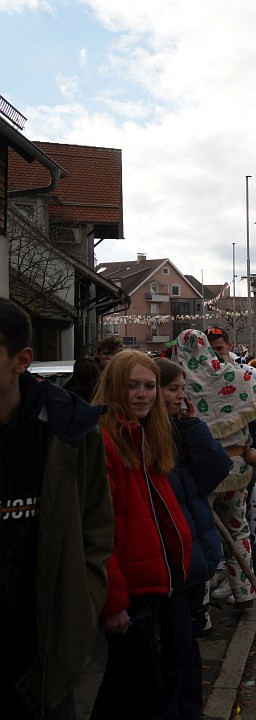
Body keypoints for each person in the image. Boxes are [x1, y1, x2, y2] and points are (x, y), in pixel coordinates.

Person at [0, 299, 113, 720]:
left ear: (21, 360)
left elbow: (97, 529)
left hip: (42, 656)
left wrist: (81, 611)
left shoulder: (69, 432)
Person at [90, 350, 193, 719]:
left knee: (151, 680)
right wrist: (113, 599)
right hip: (131, 588)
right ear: (115, 388)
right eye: (132, 386)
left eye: (149, 386)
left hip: (163, 577)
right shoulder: (103, 441)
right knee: (132, 687)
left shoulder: (150, 434)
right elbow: (98, 528)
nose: (142, 394)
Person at [155, 357, 232, 720]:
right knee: (174, 651)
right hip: (167, 564)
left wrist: (191, 426)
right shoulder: (143, 439)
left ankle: (190, 712)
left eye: (182, 389)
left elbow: (214, 472)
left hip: (191, 557)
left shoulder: (178, 430)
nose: (180, 396)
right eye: (173, 389)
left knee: (186, 648)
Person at [174, 329, 256, 608]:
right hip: (237, 467)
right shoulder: (236, 375)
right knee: (238, 530)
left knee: (200, 537)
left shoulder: (176, 385)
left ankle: (201, 610)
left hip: (199, 473)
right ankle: (244, 593)